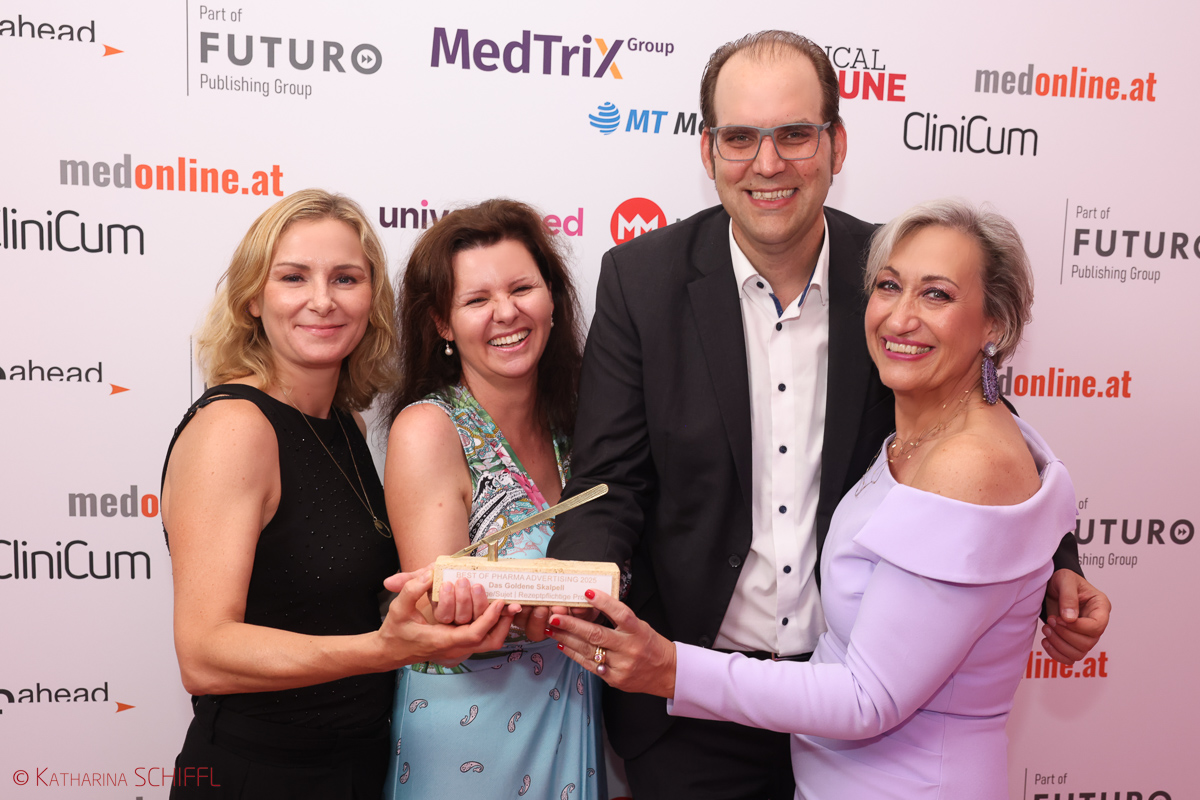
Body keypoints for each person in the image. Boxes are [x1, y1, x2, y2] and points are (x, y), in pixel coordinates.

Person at [542, 31, 1110, 799]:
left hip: (868, 715)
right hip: (692, 712)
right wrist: (579, 592)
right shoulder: (642, 281)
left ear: (836, 145)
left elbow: (977, 425)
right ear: (708, 150)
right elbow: (607, 484)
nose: (767, 163)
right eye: (740, 138)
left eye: (794, 135)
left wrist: (1061, 566)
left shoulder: (892, 281)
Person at [161, 189, 514, 799]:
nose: (322, 300)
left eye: (345, 278)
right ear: (252, 298)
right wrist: (383, 649)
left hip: (355, 765)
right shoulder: (235, 428)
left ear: (371, 299)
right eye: (293, 277)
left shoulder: (345, 423)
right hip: (260, 774)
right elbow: (204, 654)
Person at [380, 199, 603, 799]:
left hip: (571, 722)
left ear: (552, 299)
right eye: (477, 300)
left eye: (522, 288)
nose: (507, 312)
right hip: (468, 741)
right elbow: (439, 619)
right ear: (443, 324)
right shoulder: (429, 429)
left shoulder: (579, 426)